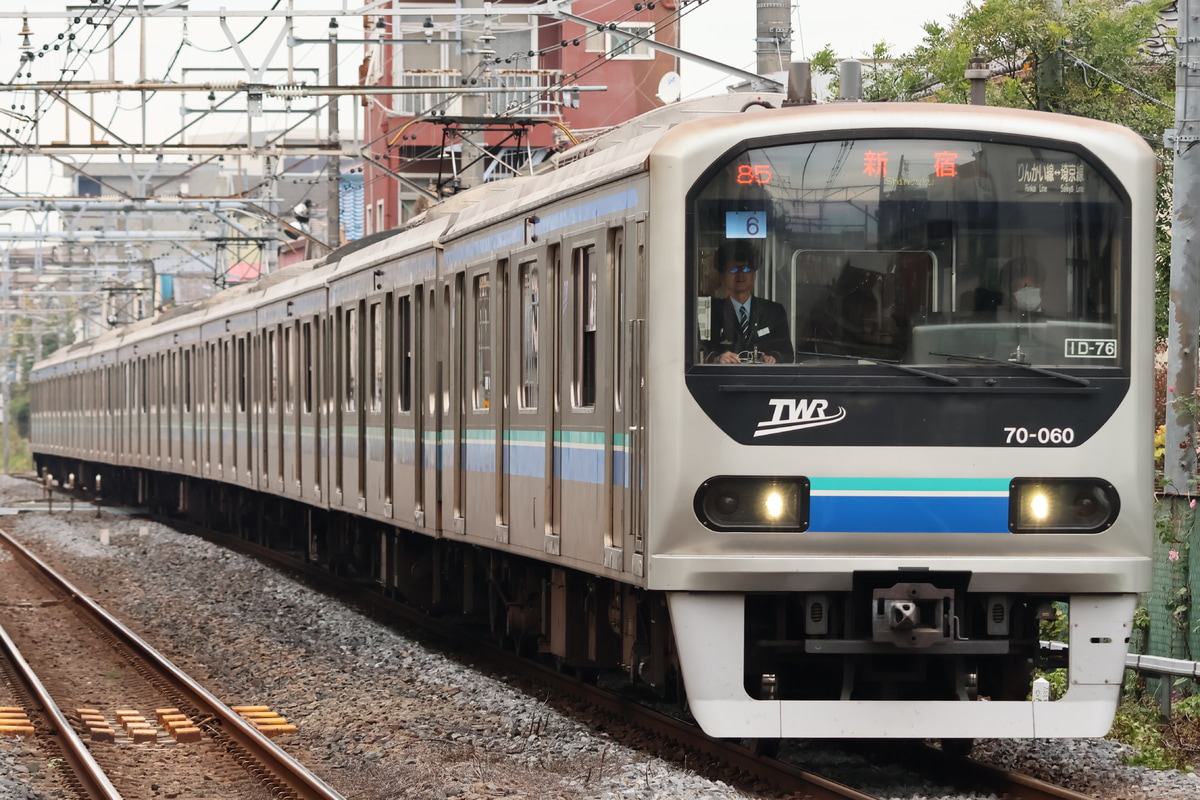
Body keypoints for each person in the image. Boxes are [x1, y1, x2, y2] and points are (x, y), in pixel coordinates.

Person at [705, 242, 793, 364]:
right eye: (733, 269)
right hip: (725, 375)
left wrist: (773, 358)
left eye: (746, 268)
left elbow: (787, 354)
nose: (740, 274)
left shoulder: (774, 311)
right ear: (722, 276)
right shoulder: (712, 312)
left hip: (763, 376)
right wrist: (717, 358)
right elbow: (699, 351)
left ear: (754, 275)